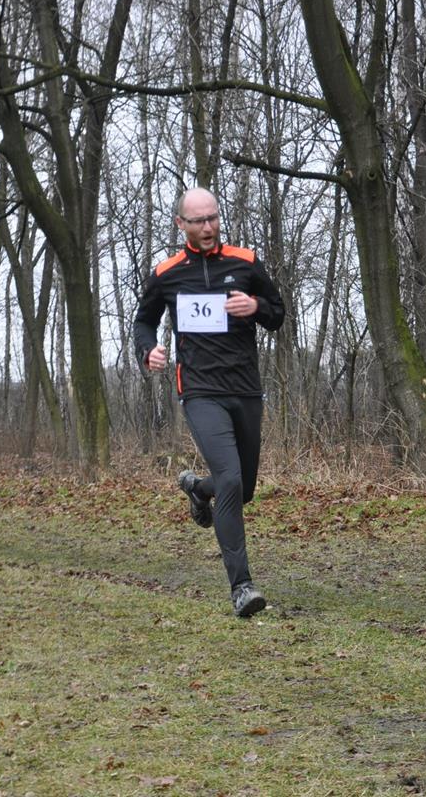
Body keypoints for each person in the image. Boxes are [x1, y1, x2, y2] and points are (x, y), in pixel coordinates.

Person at [134, 187, 285, 617]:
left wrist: (254, 305)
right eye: (198, 220)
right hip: (200, 391)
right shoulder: (167, 273)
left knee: (243, 488)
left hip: (245, 388)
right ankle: (242, 588)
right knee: (231, 479)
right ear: (180, 224)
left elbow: (277, 313)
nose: (208, 227)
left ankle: (199, 491)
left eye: (213, 218)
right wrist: (149, 350)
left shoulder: (245, 261)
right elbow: (143, 322)